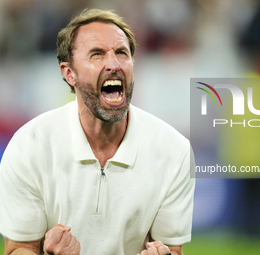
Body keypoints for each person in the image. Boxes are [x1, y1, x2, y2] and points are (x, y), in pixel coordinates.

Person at [0, 8, 195, 255]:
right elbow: (18, 248)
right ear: (69, 73)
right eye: (97, 54)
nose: (113, 64)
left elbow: (170, 249)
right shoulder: (28, 146)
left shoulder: (174, 151)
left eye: (122, 53)